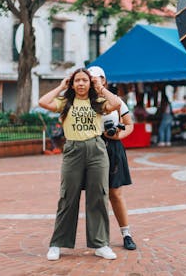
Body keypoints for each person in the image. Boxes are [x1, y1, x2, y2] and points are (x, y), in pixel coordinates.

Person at [38, 68, 121, 261]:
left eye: (85, 80)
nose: (81, 84)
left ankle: (101, 244)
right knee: (67, 197)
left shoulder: (97, 102)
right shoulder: (65, 102)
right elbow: (43, 102)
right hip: (73, 150)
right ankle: (57, 243)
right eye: (78, 81)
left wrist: (100, 87)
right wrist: (60, 86)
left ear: (90, 83)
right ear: (72, 83)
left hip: (96, 151)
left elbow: (116, 103)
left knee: (99, 196)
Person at [87, 66, 137, 251]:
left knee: (115, 193)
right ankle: (101, 237)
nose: (94, 82)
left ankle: (127, 234)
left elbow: (129, 125)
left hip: (113, 147)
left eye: (98, 79)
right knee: (97, 195)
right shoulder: (84, 101)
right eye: (91, 79)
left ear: (104, 80)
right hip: (93, 146)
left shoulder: (115, 100)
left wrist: (118, 136)